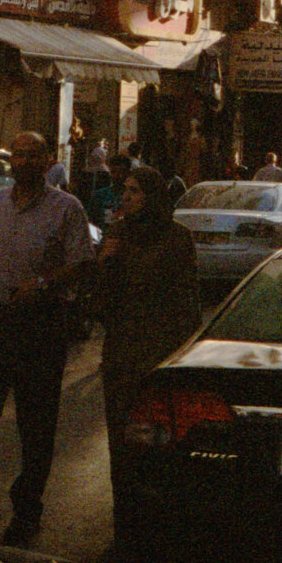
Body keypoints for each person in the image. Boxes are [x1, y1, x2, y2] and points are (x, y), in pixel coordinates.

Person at [0, 131, 95, 547]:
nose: (23, 160)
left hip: (41, 325)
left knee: (36, 426)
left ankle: (26, 510)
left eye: (32, 154)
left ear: (47, 160)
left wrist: (42, 284)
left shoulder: (67, 208)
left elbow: (82, 263)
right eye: (17, 154)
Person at [96, 165, 201, 538]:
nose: (126, 197)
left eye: (135, 191)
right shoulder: (117, 236)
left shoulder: (176, 239)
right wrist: (106, 262)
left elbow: (188, 303)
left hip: (160, 357)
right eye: (125, 189)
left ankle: (162, 526)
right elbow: (99, 304)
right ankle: (124, 524)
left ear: (153, 197)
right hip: (122, 354)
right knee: (121, 445)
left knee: (160, 446)